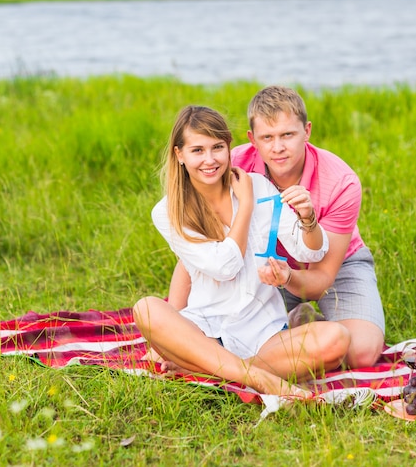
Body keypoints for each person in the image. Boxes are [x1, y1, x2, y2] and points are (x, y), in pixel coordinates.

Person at [134, 105, 350, 397]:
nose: (209, 160)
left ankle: (216, 370)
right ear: (179, 155)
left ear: (229, 148)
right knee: (146, 308)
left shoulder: (260, 186)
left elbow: (311, 252)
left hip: (262, 334)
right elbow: (225, 267)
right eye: (197, 150)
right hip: (203, 330)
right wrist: (245, 206)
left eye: (217, 148)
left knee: (335, 338)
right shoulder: (168, 211)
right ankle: (261, 380)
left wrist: (309, 219)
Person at [229, 85, 385, 368]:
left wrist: (288, 278)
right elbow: (201, 242)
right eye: (267, 137)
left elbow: (322, 279)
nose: (278, 147)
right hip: (257, 264)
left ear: (307, 131)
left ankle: (293, 330)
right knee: (216, 332)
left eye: (288, 134)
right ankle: (296, 328)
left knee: (360, 352)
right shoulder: (234, 164)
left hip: (335, 265)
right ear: (252, 139)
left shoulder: (341, 182)